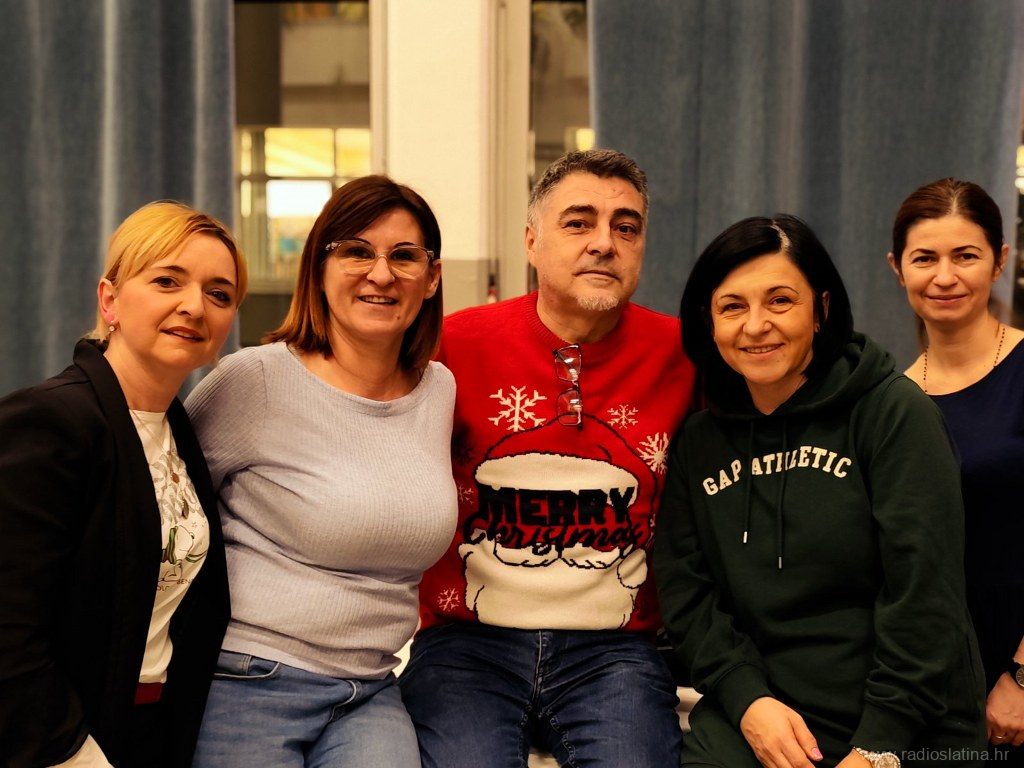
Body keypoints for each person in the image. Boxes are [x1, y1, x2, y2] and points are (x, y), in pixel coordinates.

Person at [655, 214, 987, 768]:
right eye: (732, 307)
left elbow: (926, 599)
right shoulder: (698, 441)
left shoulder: (894, 414)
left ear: (821, 309)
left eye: (780, 300)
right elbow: (688, 597)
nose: (756, 326)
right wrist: (747, 700)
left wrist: (878, 746)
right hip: (762, 713)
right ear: (708, 323)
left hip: (908, 720)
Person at [399, 148, 695, 767]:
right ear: (532, 242)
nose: (604, 243)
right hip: (466, 644)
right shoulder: (451, 344)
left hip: (615, 651)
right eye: (578, 222)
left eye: (626, 227)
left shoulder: (685, 354)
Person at [185, 175, 457, 768]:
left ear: (432, 277)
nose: (381, 274)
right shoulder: (255, 380)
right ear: (318, 267)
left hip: (370, 688)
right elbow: (165, 504)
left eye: (404, 256)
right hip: (248, 676)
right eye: (356, 251)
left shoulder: (439, 389)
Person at [0, 200, 246, 768]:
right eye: (167, 281)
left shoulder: (179, 430)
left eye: (218, 293)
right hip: (58, 741)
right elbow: (8, 631)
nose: (194, 306)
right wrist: (72, 753)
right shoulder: (49, 421)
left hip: (150, 731)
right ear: (109, 299)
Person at [887, 177, 1024, 764]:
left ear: (1000, 261)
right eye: (925, 258)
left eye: (965, 255)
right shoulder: (892, 401)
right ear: (897, 269)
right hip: (937, 694)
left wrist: (1022, 678)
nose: (944, 277)